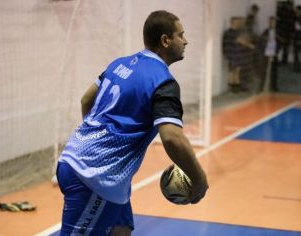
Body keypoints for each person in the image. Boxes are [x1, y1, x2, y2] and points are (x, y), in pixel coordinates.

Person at [56, 10, 208, 236]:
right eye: (180, 35)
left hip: (92, 168)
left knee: (121, 229)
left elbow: (86, 99)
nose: (186, 41)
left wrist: (94, 139)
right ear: (165, 41)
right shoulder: (163, 81)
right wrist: (199, 181)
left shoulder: (120, 64)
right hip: (94, 177)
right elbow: (172, 138)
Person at [222, 17, 254, 93]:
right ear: (232, 23)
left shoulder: (235, 32)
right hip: (233, 54)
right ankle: (233, 87)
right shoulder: (230, 32)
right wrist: (250, 45)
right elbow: (240, 40)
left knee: (236, 70)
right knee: (233, 71)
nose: (237, 23)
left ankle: (235, 86)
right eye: (236, 22)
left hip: (236, 54)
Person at [260, 16, 279, 92]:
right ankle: (262, 87)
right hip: (266, 53)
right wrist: (265, 39)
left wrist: (277, 50)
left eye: (274, 22)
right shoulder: (266, 31)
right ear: (269, 22)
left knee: (274, 71)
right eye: (271, 22)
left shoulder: (277, 32)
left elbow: (280, 41)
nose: (272, 24)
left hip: (274, 53)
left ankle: (274, 86)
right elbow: (261, 39)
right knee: (264, 70)